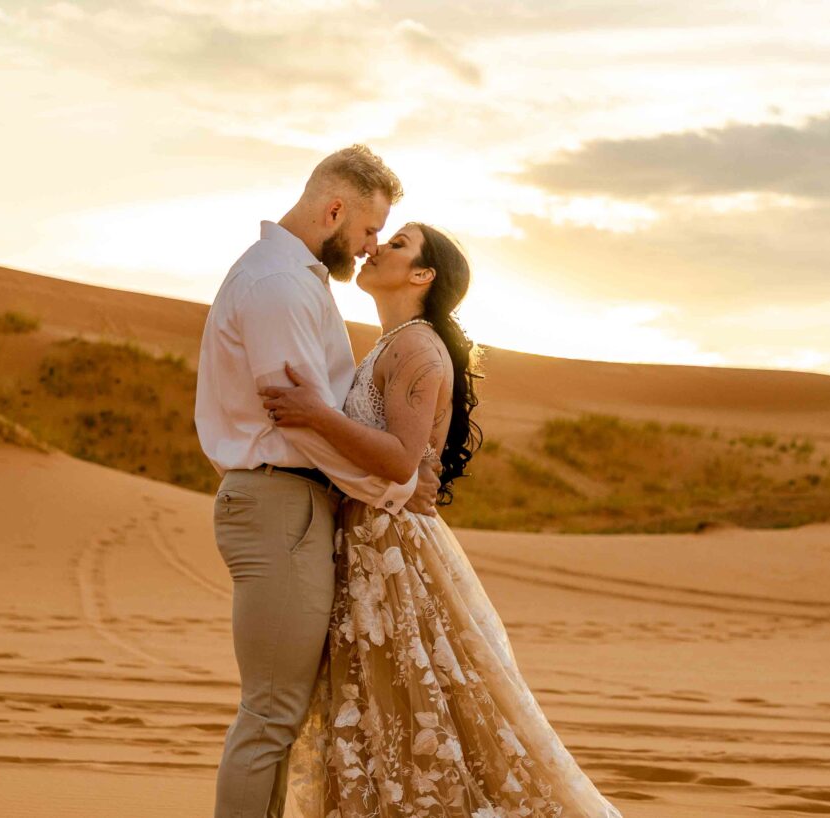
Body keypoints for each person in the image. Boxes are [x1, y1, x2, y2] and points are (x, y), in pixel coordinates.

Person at [259, 223, 624, 817]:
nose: (376, 247)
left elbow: (401, 460)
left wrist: (312, 415)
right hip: (371, 537)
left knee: (416, 708)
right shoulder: (396, 341)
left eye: (397, 244)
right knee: (383, 708)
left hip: (391, 547)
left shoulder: (415, 347)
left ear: (423, 276)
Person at [194, 145, 443, 818]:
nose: (367, 248)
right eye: (367, 231)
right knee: (272, 713)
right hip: (279, 501)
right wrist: (388, 489)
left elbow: (318, 414)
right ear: (334, 210)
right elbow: (302, 423)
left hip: (293, 505)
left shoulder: (298, 279)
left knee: (282, 713)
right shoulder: (277, 285)